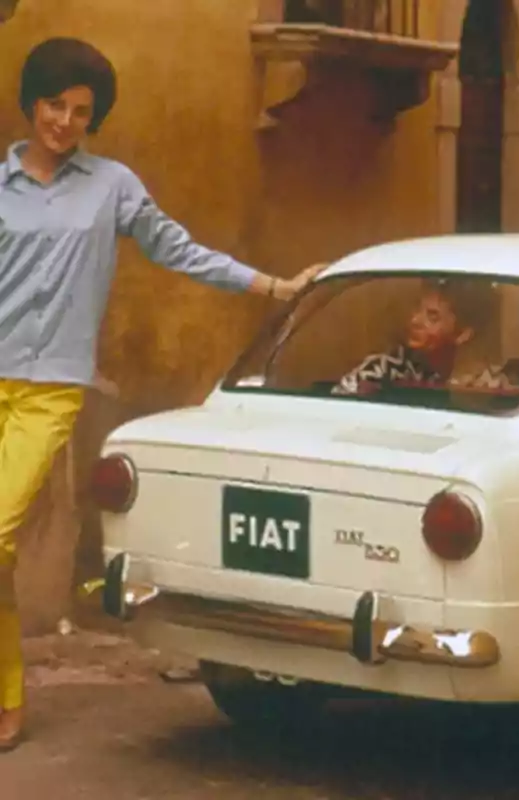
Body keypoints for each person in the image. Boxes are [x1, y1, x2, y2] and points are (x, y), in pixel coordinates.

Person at [0, 37, 325, 752]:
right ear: (32, 103)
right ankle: (8, 693)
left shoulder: (111, 185)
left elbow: (178, 248)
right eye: (54, 104)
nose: (64, 121)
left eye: (80, 111)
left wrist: (273, 285)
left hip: (49, 387)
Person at [334, 277, 517, 396]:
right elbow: (335, 407)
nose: (414, 320)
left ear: (463, 334)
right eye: (417, 309)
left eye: (432, 316)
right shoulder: (382, 369)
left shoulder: (489, 384)